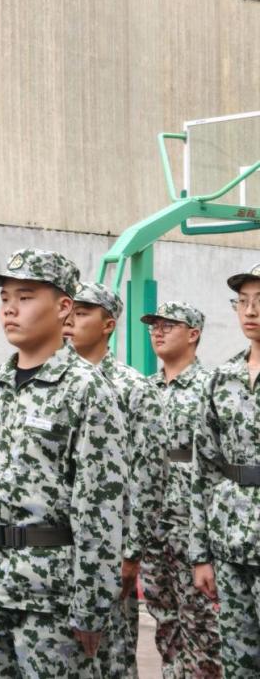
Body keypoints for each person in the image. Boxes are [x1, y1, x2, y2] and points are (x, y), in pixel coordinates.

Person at [0, 248, 125, 677]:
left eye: (25, 297)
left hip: (53, 597)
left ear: (64, 307)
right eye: (5, 298)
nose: (10, 308)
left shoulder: (86, 391)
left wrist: (92, 604)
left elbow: (100, 508)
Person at [63, 281, 167, 678]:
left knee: (110, 656)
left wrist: (131, 551)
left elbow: (147, 475)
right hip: (52, 554)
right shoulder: (49, 382)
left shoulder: (133, 389)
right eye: (68, 312)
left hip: (108, 550)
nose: (70, 321)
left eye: (82, 314)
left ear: (108, 324)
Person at [139, 301, 220, 678]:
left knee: (202, 626)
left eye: (168, 326)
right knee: (165, 621)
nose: (158, 332)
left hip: (194, 528)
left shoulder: (211, 387)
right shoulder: (145, 390)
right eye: (154, 326)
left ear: (193, 334)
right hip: (154, 528)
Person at [192, 264, 260, 678]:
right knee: (237, 662)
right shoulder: (222, 379)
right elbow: (205, 469)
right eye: (243, 302)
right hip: (231, 545)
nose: (250, 311)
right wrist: (201, 554)